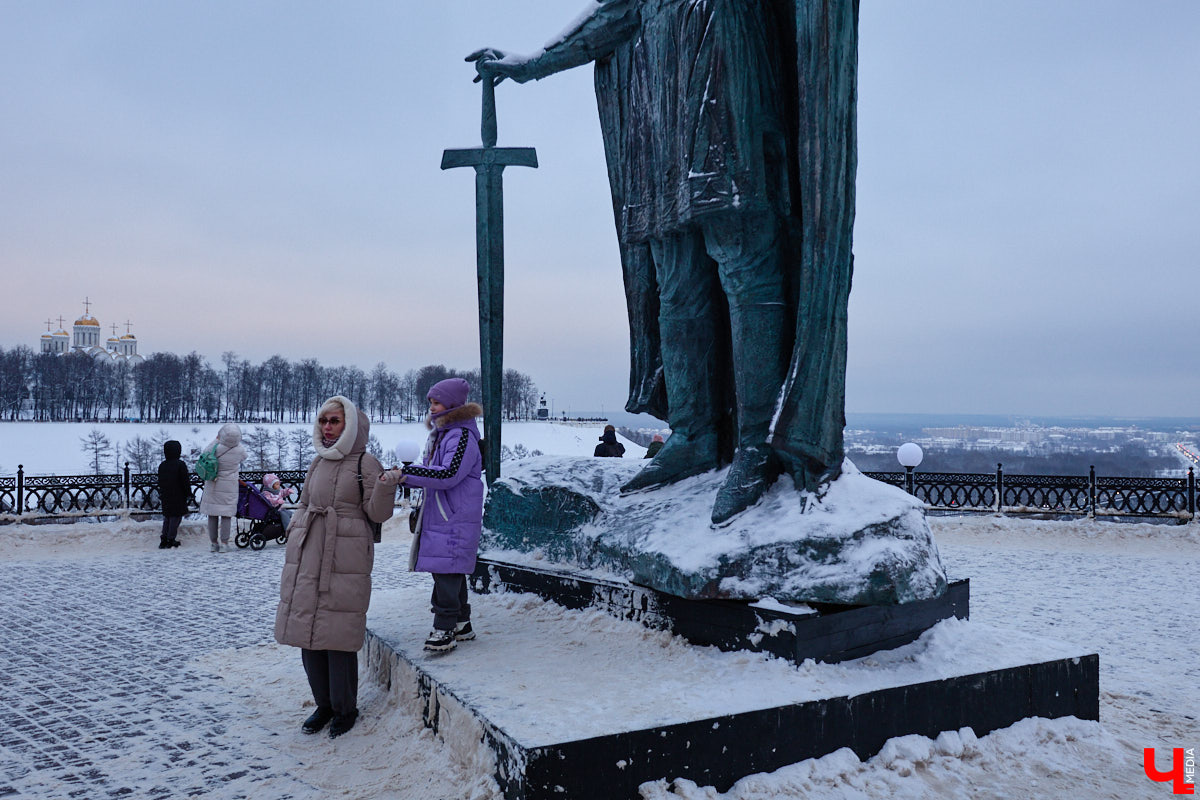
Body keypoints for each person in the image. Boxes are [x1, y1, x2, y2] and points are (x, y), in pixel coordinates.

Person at [470, 0, 860, 524]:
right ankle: (695, 434)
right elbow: (619, 11)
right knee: (675, 283)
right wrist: (534, 62)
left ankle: (754, 444)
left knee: (745, 265)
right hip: (660, 112)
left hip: (729, 88)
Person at [275, 396, 394, 739]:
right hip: (309, 550)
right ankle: (323, 704)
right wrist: (296, 530)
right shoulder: (318, 461)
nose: (327, 427)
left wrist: (386, 487)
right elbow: (306, 503)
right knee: (307, 630)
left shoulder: (365, 463)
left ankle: (345, 707)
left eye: (335, 421)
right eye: (324, 420)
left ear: (351, 426)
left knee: (337, 632)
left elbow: (377, 513)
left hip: (345, 556)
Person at [379, 378, 483, 653]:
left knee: (447, 571)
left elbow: (448, 474)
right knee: (450, 569)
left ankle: (444, 628)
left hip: (454, 517)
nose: (432, 407)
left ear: (451, 404)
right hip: (445, 514)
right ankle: (461, 623)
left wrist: (407, 474)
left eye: (437, 402)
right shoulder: (444, 434)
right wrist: (405, 477)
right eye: (431, 403)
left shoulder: (461, 435)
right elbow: (431, 472)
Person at [197, 423, 246, 553]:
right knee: (226, 516)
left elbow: (205, 454)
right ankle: (224, 543)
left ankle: (213, 543)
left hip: (213, 483)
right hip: (229, 485)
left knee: (212, 515)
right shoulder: (239, 449)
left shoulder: (216, 447)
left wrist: (217, 439)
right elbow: (244, 457)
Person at [156, 439, 189, 549]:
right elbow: (185, 481)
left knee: (167, 517)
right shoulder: (180, 465)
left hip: (166, 495)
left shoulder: (162, 465)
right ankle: (171, 539)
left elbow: (160, 481)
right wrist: (188, 493)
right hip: (178, 495)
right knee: (176, 517)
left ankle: (164, 538)